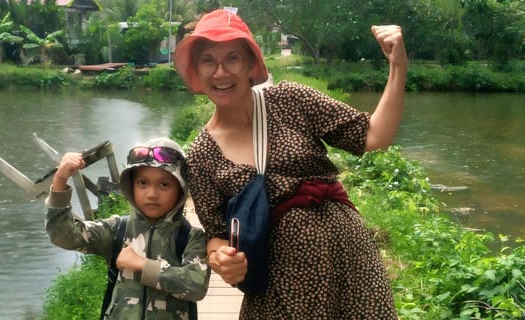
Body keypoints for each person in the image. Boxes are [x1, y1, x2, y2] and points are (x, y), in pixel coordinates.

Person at [173, 8, 407, 319]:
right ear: (196, 71)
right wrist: (220, 259)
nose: (220, 72)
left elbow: (373, 136)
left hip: (348, 259)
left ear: (250, 64)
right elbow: (217, 234)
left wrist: (398, 66)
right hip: (280, 282)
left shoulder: (290, 100)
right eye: (208, 61)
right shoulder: (202, 154)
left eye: (232, 58)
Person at [44, 137, 209, 319]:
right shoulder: (117, 229)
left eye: (164, 185)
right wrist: (60, 181)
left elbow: (196, 286)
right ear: (130, 186)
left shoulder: (191, 237)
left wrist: (143, 265)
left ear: (181, 189)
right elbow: (64, 236)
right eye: (143, 183)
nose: (152, 194)